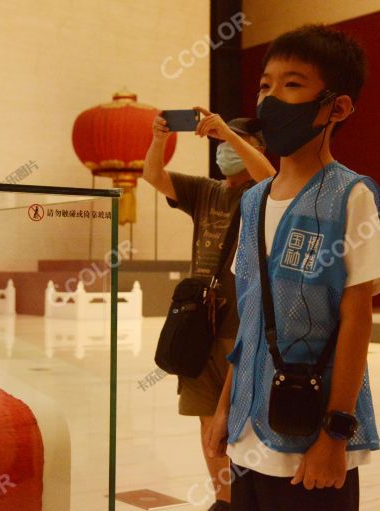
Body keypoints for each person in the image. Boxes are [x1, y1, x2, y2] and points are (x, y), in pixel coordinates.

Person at [205, 24, 380, 511]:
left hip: (311, 437)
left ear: (337, 107)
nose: (271, 99)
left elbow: (357, 319)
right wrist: (224, 407)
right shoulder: (252, 201)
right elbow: (250, 317)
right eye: (265, 85)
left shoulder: (350, 196)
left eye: (292, 84)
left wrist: (335, 434)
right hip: (248, 430)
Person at [143, 112, 275, 511]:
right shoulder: (204, 191)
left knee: (245, 422)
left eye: (234, 140)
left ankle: (250, 499)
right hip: (200, 324)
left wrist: (230, 136)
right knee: (206, 418)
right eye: (220, 141)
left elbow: (268, 176)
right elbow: (153, 175)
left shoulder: (264, 194)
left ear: (256, 144)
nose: (223, 149)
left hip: (243, 323)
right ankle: (224, 499)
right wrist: (157, 139)